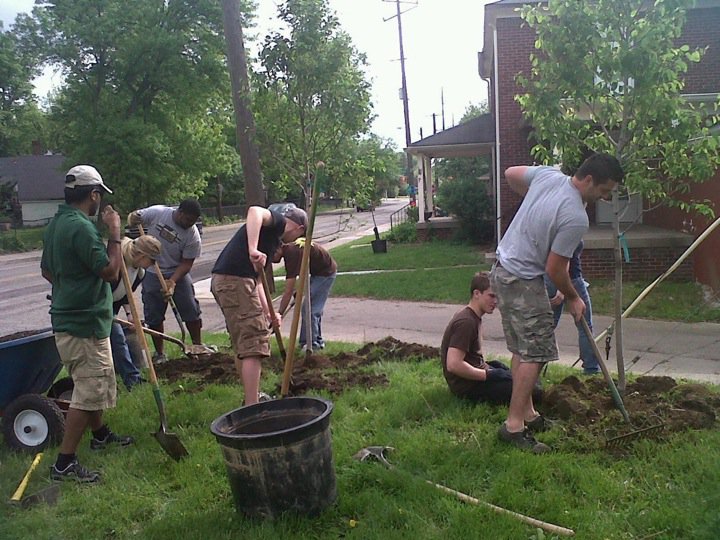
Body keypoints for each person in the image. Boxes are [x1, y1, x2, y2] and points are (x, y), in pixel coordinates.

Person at [490, 153, 623, 453]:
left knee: (521, 350)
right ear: (589, 180)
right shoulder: (576, 217)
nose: (604, 198)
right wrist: (574, 297)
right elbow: (555, 269)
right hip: (523, 280)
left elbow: (511, 171)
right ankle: (513, 427)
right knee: (535, 353)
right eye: (604, 191)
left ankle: (528, 413)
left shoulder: (548, 176)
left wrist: (538, 205)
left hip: (501, 271)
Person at [41, 165, 135, 484]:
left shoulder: (56, 224)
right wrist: (114, 233)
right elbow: (110, 273)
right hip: (84, 324)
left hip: (71, 319)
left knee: (88, 382)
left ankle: (101, 435)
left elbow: (47, 271)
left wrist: (70, 291)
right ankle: (64, 463)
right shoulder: (82, 228)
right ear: (93, 195)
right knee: (90, 388)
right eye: (99, 196)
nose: (100, 203)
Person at [210, 205, 308, 406]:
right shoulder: (278, 223)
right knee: (254, 343)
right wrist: (252, 249)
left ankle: (251, 397)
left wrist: (270, 312)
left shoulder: (270, 240)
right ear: (299, 228)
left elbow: (258, 281)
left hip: (230, 282)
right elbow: (254, 211)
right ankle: (252, 407)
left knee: (244, 343)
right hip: (235, 282)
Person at [441, 272, 543, 405]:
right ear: (477, 293)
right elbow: (453, 365)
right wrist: (489, 375)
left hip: (477, 374)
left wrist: (493, 371)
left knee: (523, 378)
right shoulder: (466, 322)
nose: (495, 301)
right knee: (531, 392)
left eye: (497, 296)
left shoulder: (472, 316)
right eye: (491, 296)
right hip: (468, 386)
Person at [127, 199, 205, 363]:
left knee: (191, 309)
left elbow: (187, 263)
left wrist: (173, 281)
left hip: (177, 273)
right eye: (188, 219)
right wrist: (133, 217)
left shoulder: (192, 236)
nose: (190, 224)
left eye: (193, 221)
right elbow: (138, 217)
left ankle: (197, 345)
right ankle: (160, 353)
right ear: (180, 212)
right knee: (154, 314)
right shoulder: (159, 213)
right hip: (151, 271)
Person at [110, 235, 162, 390]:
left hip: (111, 307)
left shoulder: (139, 272)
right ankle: (131, 380)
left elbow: (125, 295)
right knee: (117, 339)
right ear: (141, 255)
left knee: (126, 336)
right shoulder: (116, 264)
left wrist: (131, 316)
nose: (152, 265)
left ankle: (131, 375)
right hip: (96, 307)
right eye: (151, 260)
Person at [544, 241, 601, 375]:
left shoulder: (551, 227)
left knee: (546, 326)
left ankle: (534, 365)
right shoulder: (570, 226)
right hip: (570, 280)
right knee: (585, 326)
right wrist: (562, 289)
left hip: (549, 279)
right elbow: (563, 259)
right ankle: (591, 369)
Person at [274, 239, 337, 350]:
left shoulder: (291, 254)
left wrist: (279, 315)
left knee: (310, 309)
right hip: (317, 272)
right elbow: (303, 271)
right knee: (309, 308)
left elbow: (287, 292)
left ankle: (312, 344)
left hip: (325, 273)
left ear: (277, 249)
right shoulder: (290, 249)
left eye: (271, 256)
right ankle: (312, 340)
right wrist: (298, 292)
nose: (271, 260)